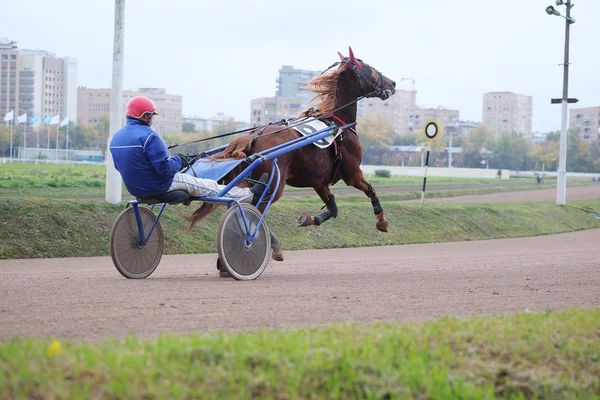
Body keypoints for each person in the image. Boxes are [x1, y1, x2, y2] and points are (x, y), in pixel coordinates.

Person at [109, 96, 267, 204]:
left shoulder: (115, 139)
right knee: (206, 185)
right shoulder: (151, 137)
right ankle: (249, 196)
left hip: (135, 188)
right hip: (159, 185)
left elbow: (121, 167)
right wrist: (180, 160)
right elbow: (165, 170)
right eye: (151, 116)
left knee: (197, 183)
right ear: (145, 116)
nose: (152, 119)